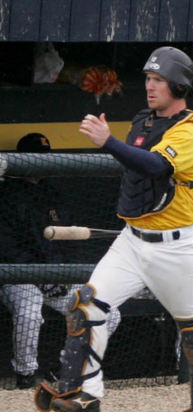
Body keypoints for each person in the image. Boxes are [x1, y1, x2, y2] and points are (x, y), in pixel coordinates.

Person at [33, 47, 193, 412]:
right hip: (132, 240)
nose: (150, 87)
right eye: (149, 80)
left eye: (158, 81)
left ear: (178, 85)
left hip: (176, 248)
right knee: (84, 304)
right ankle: (85, 391)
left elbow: (155, 166)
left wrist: (108, 141)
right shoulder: (144, 120)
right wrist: (116, 141)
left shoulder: (190, 131)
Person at [1, 134, 121, 389]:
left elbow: (66, 245)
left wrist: (57, 273)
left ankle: (67, 367)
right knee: (30, 311)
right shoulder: (7, 195)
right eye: (38, 158)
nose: (43, 164)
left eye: (47, 158)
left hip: (55, 275)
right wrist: (40, 276)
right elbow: (8, 248)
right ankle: (26, 375)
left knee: (108, 313)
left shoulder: (52, 194)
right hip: (17, 276)